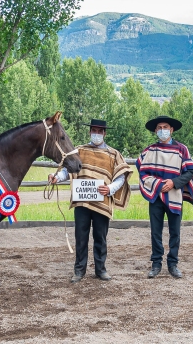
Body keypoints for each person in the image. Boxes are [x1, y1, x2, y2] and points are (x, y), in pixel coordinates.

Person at [49, 119, 132, 283]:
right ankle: (79, 270)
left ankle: (100, 269)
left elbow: (121, 177)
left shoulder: (113, 154)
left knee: (100, 237)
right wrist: (57, 177)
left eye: (100, 131)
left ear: (104, 133)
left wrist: (110, 189)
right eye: (94, 130)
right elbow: (68, 170)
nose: (96, 134)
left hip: (102, 202)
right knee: (81, 236)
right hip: (82, 202)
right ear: (90, 132)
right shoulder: (79, 150)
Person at [137, 115, 193, 279]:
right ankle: (156, 263)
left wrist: (174, 182)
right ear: (156, 130)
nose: (163, 130)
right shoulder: (150, 150)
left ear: (172, 129)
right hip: (156, 195)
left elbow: (190, 171)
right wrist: (157, 184)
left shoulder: (181, 149)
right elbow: (142, 170)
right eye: (159, 127)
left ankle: (173, 264)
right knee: (156, 232)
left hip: (174, 194)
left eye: (166, 127)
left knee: (175, 232)